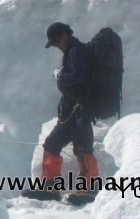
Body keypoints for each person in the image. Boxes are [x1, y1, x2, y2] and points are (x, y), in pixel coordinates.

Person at [25, 22, 101, 203]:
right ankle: (85, 190)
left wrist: (60, 75)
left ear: (64, 35)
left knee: (56, 144)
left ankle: (56, 188)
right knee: (81, 147)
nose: (57, 46)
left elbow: (78, 79)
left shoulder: (76, 52)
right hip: (79, 110)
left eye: (56, 41)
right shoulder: (76, 51)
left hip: (77, 111)